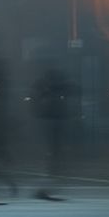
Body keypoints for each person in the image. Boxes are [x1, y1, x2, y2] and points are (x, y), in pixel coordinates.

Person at [31, 63, 77, 201]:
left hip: (50, 123)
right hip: (54, 123)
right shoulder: (54, 91)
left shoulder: (46, 90)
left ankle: (45, 188)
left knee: (52, 156)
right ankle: (46, 188)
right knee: (53, 157)